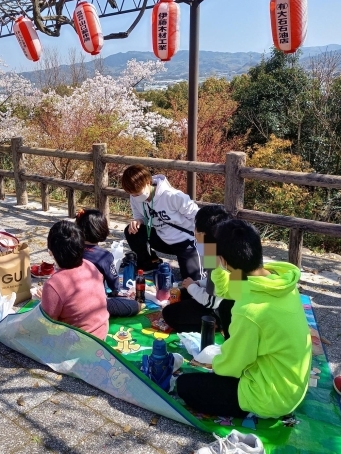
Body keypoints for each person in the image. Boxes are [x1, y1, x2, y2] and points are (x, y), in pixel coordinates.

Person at [176, 219, 312, 419]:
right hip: (292, 383)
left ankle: (252, 409)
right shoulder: (275, 278)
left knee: (185, 385)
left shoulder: (249, 311)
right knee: (226, 305)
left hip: (272, 399)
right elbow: (224, 290)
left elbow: (230, 366)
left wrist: (213, 361)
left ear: (223, 260)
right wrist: (216, 260)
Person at [162, 205, 235, 337]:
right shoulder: (216, 247)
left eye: (195, 227)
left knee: (169, 314)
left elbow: (212, 302)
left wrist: (191, 287)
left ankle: (217, 324)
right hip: (220, 298)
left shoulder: (215, 257)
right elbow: (212, 280)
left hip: (223, 308)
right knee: (181, 294)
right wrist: (197, 284)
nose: (193, 232)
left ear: (202, 234)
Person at [122, 165, 202, 281]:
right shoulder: (134, 197)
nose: (135, 197)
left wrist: (208, 249)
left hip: (185, 242)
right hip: (161, 238)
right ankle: (149, 263)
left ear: (149, 182)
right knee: (131, 231)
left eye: (138, 193)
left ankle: (203, 262)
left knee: (192, 282)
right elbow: (140, 217)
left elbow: (199, 218)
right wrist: (137, 221)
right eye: (132, 194)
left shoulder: (173, 196)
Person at [41, 220, 109, 340]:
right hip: (101, 333)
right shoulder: (90, 266)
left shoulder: (53, 284)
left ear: (51, 252)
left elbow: (47, 324)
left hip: (77, 345)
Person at [75, 208, 141, 318]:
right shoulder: (104, 256)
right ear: (101, 229)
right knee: (135, 306)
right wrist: (118, 293)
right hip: (94, 304)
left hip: (71, 301)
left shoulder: (72, 250)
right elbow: (114, 284)